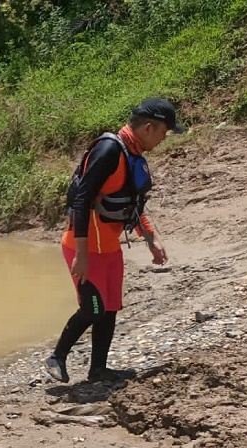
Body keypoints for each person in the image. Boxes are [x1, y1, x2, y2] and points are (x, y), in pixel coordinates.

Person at [46, 97, 185, 384]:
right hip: (84, 248)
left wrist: (151, 239)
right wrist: (81, 255)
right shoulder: (109, 150)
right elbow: (82, 201)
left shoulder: (133, 155)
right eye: (163, 132)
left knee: (109, 308)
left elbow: (132, 205)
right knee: (92, 309)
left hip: (109, 249)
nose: (164, 139)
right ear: (148, 128)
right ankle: (56, 357)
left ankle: (98, 369)